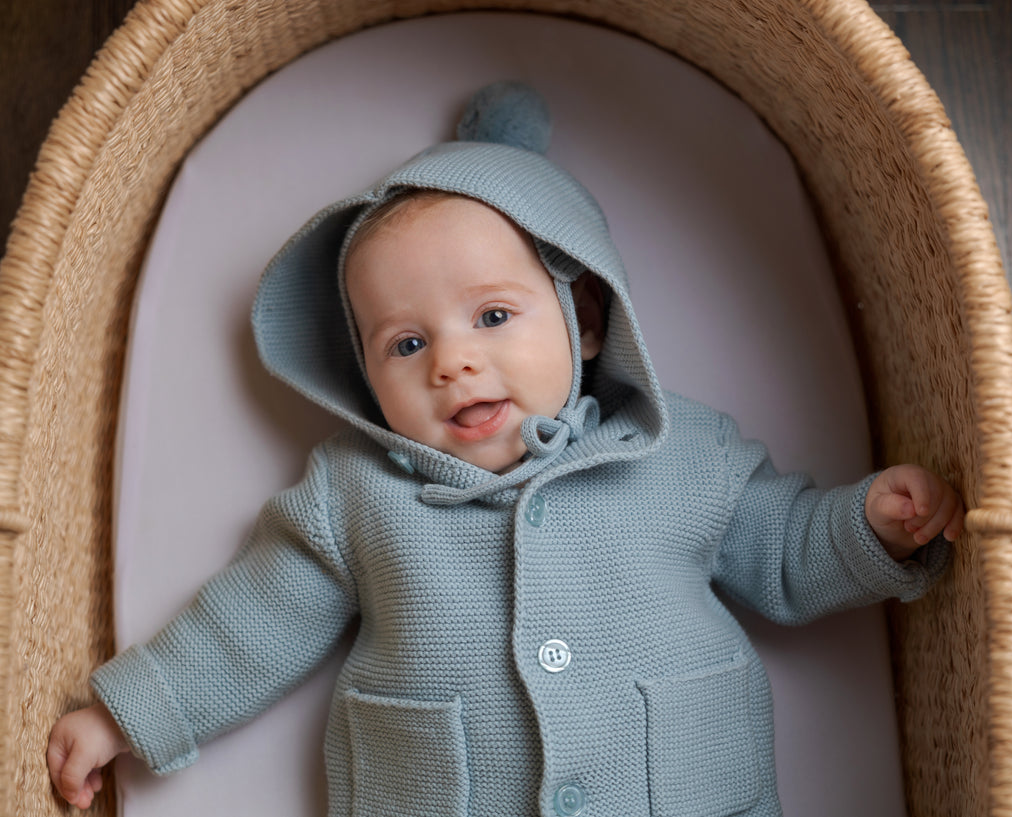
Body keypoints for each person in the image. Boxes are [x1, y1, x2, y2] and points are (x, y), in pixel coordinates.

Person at [48, 82, 962, 817]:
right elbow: (251, 625)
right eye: (406, 344)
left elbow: (785, 548)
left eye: (492, 315)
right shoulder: (356, 495)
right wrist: (130, 716)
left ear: (586, 319)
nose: (454, 359)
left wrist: (872, 525)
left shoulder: (677, 453)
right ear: (364, 379)